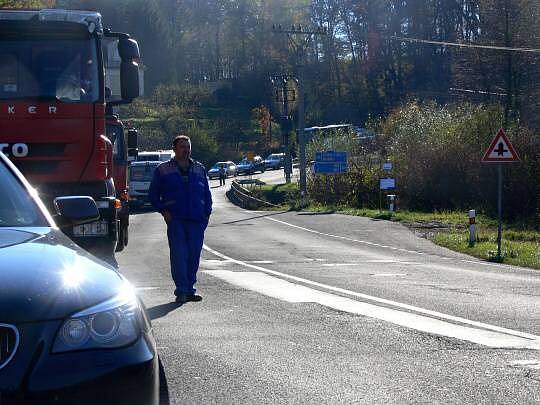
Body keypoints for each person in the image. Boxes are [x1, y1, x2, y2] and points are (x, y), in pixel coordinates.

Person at [149, 135, 212, 303]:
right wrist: (164, 211)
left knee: (193, 256)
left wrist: (207, 214)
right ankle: (181, 291)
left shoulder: (199, 169)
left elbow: (207, 193)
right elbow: (153, 195)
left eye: (188, 147)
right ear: (174, 149)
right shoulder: (163, 169)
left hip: (196, 220)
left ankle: (190, 290)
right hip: (176, 220)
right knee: (179, 255)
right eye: (183, 147)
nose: (186, 150)